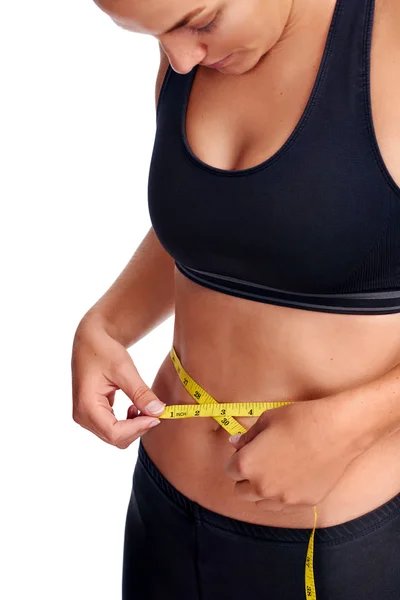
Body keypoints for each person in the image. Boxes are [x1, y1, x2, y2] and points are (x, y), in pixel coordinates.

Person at [71, 0, 400, 598]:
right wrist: (107, 323)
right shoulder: (188, 49)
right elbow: (234, 225)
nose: (178, 56)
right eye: (152, 35)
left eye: (199, 21)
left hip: (339, 543)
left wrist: (353, 422)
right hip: (161, 512)